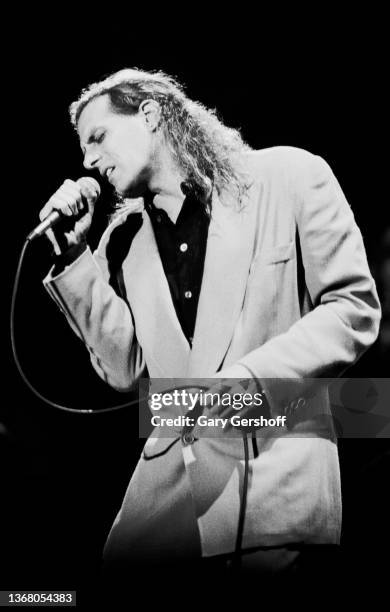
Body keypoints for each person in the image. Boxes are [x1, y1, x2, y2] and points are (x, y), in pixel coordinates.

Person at [40, 68, 381, 590]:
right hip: (170, 497)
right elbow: (124, 370)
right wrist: (74, 257)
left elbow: (353, 308)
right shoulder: (122, 241)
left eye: (98, 136)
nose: (87, 161)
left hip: (272, 476)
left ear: (151, 115)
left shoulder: (287, 176)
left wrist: (248, 380)